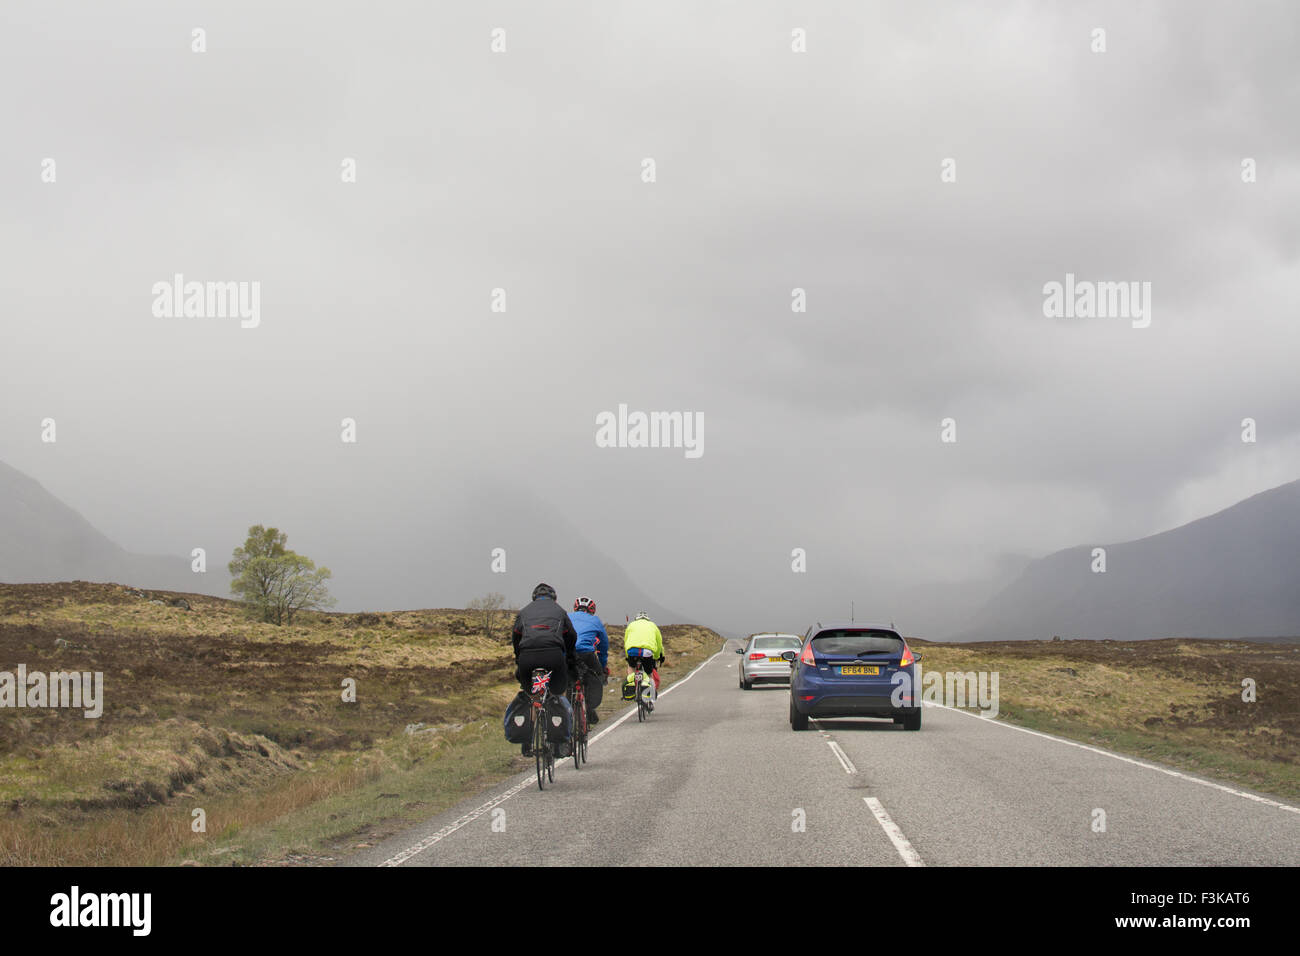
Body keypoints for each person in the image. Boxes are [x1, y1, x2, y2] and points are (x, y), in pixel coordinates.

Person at [511, 583, 578, 755]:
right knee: (557, 692)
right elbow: (571, 635)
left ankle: (527, 741)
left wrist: (519, 659)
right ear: (554, 598)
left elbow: (515, 637)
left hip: (527, 658)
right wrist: (569, 657)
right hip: (553, 656)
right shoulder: (560, 611)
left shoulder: (524, 612)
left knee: (532, 695)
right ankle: (560, 740)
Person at [568, 596, 610, 724]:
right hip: (587, 653)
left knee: (567, 679)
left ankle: (566, 711)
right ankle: (590, 708)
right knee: (596, 676)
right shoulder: (595, 620)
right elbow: (603, 645)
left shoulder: (568, 616)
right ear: (592, 610)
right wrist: (602, 667)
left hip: (569, 653)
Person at [623, 611, 665, 709]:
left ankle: (632, 683)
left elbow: (626, 641)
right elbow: (659, 644)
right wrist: (657, 656)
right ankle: (649, 694)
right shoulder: (653, 625)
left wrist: (627, 655)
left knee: (631, 667)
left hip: (632, 651)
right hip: (647, 651)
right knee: (649, 673)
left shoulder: (631, 625)